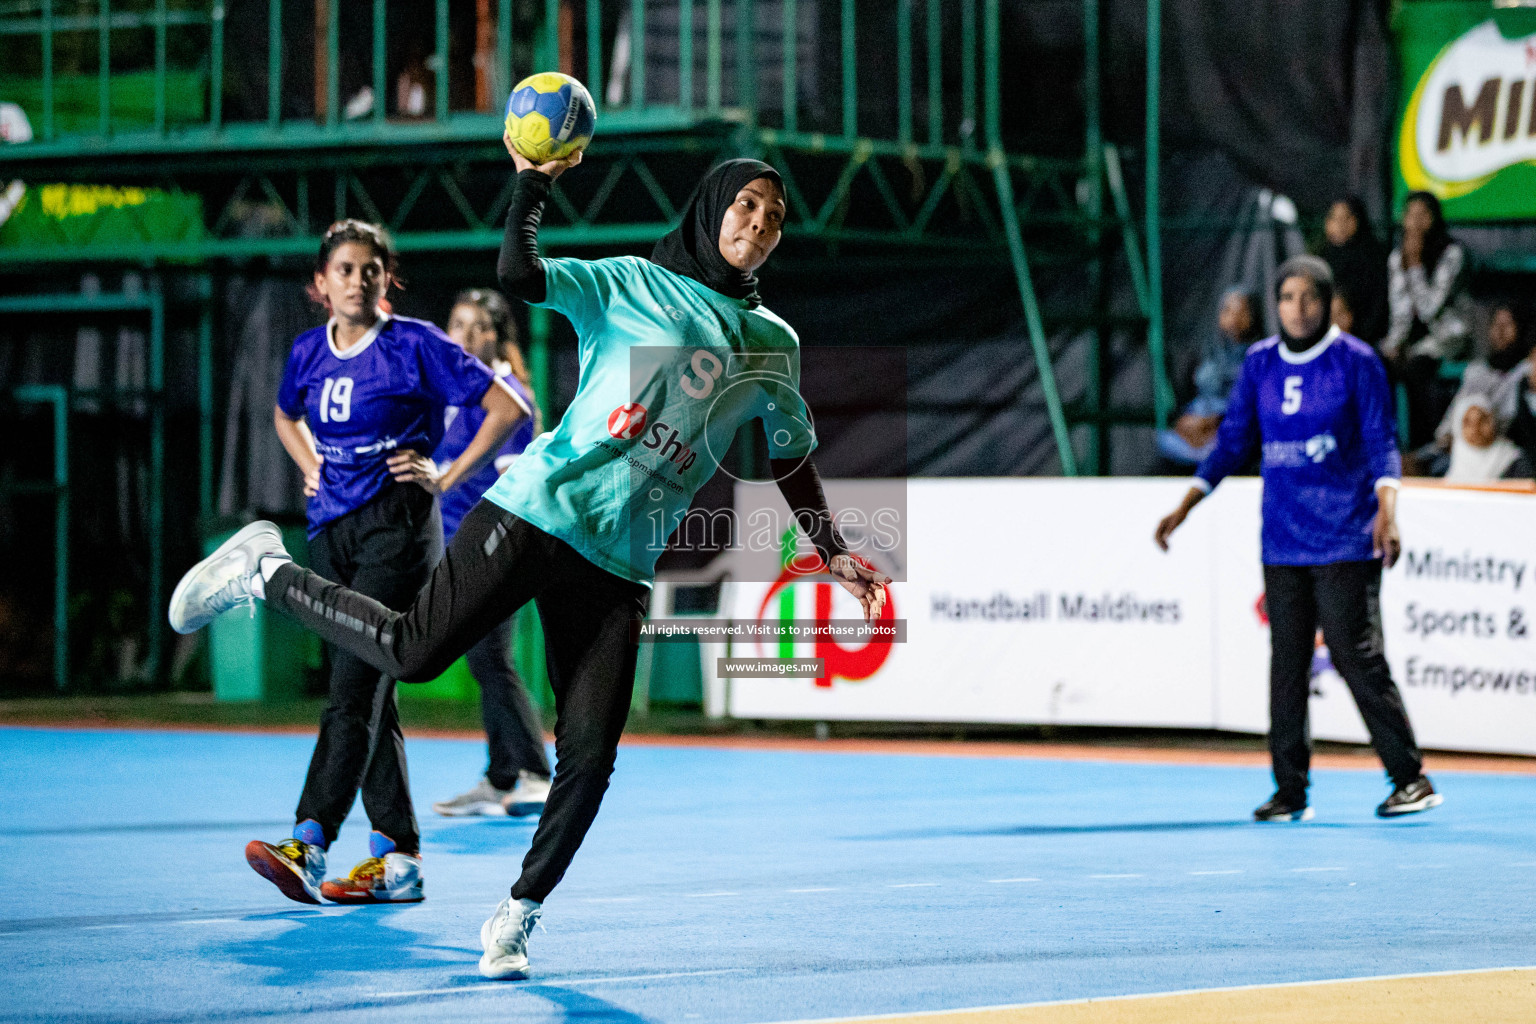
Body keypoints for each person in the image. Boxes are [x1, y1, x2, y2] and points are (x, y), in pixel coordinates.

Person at [167, 145, 890, 977]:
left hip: (621, 562)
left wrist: (832, 550)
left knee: (591, 753)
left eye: (774, 215)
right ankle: (266, 568)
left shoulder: (772, 342)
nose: (759, 225)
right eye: (746, 206)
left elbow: (790, 458)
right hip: (540, 511)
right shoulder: (629, 283)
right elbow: (520, 271)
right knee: (412, 651)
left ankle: (517, 913)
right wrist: (533, 181)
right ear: (711, 208)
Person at [169, 220, 528, 906]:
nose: (357, 280)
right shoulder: (308, 352)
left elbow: (506, 405)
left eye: (370, 270)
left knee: (353, 690)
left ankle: (308, 839)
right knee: (370, 694)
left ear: (386, 279)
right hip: (331, 527)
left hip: (398, 526)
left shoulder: (417, 344)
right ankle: (397, 858)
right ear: (321, 284)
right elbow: (284, 417)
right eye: (344, 270)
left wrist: (444, 478)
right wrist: (307, 467)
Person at [1154, 254, 1440, 823]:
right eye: (1287, 298)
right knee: (1286, 664)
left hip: (1345, 536)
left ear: (1329, 302)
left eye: (1309, 298)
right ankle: (1290, 790)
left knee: (1354, 654)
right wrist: (1187, 503)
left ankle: (1410, 777)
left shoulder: (1356, 362)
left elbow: (1382, 440)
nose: (1297, 308)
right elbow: (1233, 439)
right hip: (1282, 539)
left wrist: (1389, 511)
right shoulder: (1260, 363)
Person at [430, 289, 554, 818]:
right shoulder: (459, 397)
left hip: (495, 546)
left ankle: (534, 773)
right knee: (483, 660)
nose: (460, 336)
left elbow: (516, 483)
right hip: (454, 545)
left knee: (492, 659)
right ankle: (501, 774)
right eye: (454, 324)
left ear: (495, 337)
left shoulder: (511, 396)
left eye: (473, 327)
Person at [1383, 191, 1472, 448]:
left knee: (1416, 368)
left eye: (1423, 215)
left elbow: (1430, 309)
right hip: (1415, 341)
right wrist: (1394, 343)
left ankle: (1425, 445)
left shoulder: (1451, 253)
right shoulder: (1397, 257)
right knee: (1378, 364)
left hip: (1449, 337)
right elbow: (1400, 309)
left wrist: (1416, 266)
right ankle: (1389, 445)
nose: (1416, 222)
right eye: (1410, 215)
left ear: (1434, 219)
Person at [1411, 302, 1532, 476]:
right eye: (1496, 325)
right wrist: (1450, 436)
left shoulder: (1525, 373)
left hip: (1496, 449)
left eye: (1507, 325)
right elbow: (1455, 416)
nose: (1500, 332)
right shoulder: (1477, 370)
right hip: (1455, 446)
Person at [1156, 288, 1263, 468]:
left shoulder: (1262, 357)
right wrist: (1191, 420)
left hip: (1236, 428)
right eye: (1228, 310)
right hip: (1200, 427)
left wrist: (1215, 420)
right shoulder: (1209, 352)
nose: (1234, 318)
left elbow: (1255, 406)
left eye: (1241, 311)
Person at [1320, 196, 1388, 346]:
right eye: (1334, 218)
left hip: (1370, 339)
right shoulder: (1320, 259)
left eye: (1347, 218)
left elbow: (1379, 305)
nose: (1340, 225)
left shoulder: (1374, 256)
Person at [1444, 394, 1530, 483]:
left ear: (1493, 421)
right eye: (1468, 423)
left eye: (1482, 420)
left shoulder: (1514, 461)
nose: (1476, 428)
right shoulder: (1447, 461)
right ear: (1457, 427)